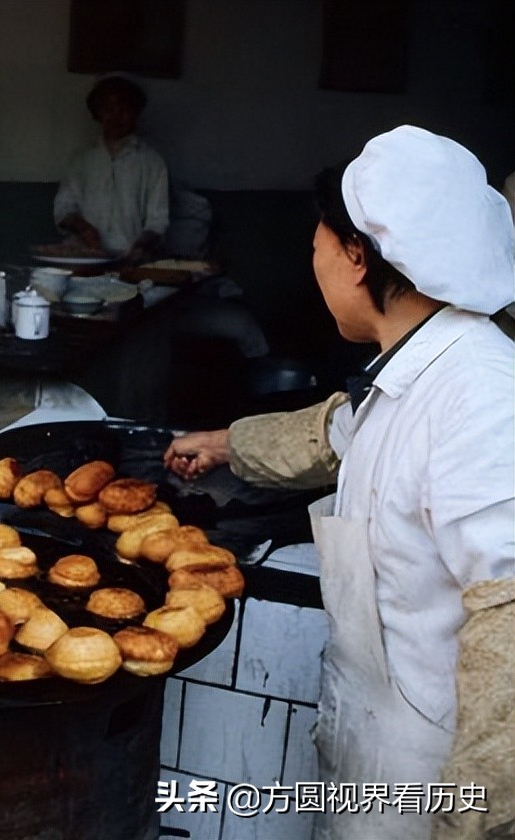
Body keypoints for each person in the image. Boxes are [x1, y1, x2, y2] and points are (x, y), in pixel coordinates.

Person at [164, 126, 514, 839]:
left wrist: (476, 820)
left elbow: (509, 614)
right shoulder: (420, 364)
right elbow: (338, 433)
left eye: (318, 247)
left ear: (357, 257)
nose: (314, 263)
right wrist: (226, 444)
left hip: (432, 788)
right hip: (372, 749)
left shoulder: (482, 396)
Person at [53, 74, 168, 263]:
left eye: (124, 109)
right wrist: (82, 228)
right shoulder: (81, 160)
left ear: (136, 112)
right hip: (84, 256)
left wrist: (139, 248)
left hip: (130, 258)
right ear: (97, 114)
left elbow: (158, 221)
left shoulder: (152, 162)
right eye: (108, 109)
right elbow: (63, 207)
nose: (116, 116)